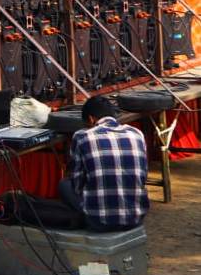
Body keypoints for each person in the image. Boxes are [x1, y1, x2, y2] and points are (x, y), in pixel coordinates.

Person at [61, 96, 149, 231]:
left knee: (64, 185)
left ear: (91, 119)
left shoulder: (82, 136)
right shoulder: (136, 133)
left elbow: (77, 185)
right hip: (135, 219)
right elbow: (142, 177)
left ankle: (80, 220)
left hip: (99, 222)